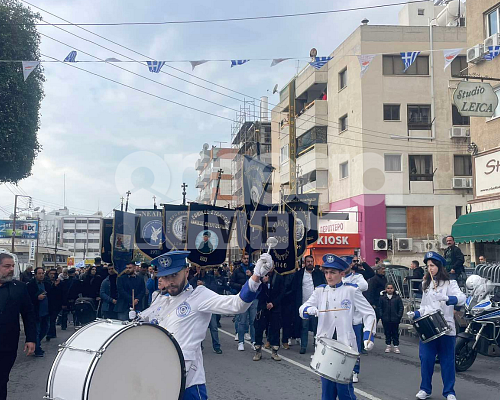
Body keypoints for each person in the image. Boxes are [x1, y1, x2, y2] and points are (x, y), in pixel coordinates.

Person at [133, 250, 273, 400]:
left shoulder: (199, 296)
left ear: (186, 272)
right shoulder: (160, 300)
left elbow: (237, 304)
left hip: (189, 383)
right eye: (166, 277)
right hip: (162, 380)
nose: (170, 281)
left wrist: (256, 276)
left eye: (174, 275)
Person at [299, 254, 376, 400]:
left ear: (342, 274)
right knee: (327, 392)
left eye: (333, 273)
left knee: (344, 391)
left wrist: (368, 336)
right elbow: (303, 308)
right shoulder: (320, 291)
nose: (329, 276)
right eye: (326, 272)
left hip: (346, 347)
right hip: (324, 348)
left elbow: (369, 313)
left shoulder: (351, 291)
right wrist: (309, 310)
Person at [407, 251, 466, 400]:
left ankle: (449, 392)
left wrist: (447, 298)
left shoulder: (450, 283)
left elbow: (462, 299)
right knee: (426, 359)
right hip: (429, 328)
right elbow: (424, 306)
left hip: (446, 328)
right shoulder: (425, 284)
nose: (430, 268)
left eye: (432, 265)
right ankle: (425, 389)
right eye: (428, 266)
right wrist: (416, 314)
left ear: (439, 266)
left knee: (447, 361)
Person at [0, 253, 36, 400]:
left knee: (2, 380)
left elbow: (28, 313)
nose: (11, 269)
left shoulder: (19, 288)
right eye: (7, 266)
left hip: (7, 344)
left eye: (13, 266)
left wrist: (31, 339)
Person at [341, 255, 369, 382]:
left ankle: (355, 371)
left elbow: (364, 286)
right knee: (342, 346)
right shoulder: (337, 279)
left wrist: (349, 286)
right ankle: (343, 368)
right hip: (341, 319)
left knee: (355, 347)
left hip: (355, 319)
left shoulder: (357, 277)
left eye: (347, 265)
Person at [292, 254, 326, 354]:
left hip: (316, 306)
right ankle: (303, 346)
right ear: (304, 263)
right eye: (308, 262)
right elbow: (295, 289)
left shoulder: (319, 274)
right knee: (304, 327)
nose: (310, 263)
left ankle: (317, 346)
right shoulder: (299, 274)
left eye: (311, 261)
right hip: (304, 305)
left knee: (317, 327)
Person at [253, 268, 284, 362]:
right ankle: (258, 351)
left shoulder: (279, 276)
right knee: (259, 328)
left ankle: (275, 351)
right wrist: (263, 283)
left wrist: (273, 303)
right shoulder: (259, 277)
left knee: (275, 328)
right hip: (262, 307)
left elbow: (282, 293)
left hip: (275, 307)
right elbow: (255, 292)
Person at [189, 267, 222, 354]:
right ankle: (199, 345)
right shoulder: (193, 279)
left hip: (209, 305)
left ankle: (216, 346)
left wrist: (204, 285)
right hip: (198, 306)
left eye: (202, 269)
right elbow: (189, 291)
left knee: (213, 327)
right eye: (199, 268)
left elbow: (215, 288)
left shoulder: (210, 278)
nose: (201, 270)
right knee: (198, 327)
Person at [230, 254, 257, 350]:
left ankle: (254, 341)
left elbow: (259, 281)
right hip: (242, 298)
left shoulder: (255, 269)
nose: (246, 260)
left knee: (253, 321)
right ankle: (241, 342)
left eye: (247, 258)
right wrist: (240, 286)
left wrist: (251, 275)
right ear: (242, 259)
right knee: (242, 321)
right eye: (244, 258)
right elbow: (231, 283)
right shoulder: (237, 271)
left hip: (253, 297)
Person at [27, 267, 51, 357]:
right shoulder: (31, 285)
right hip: (36, 312)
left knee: (45, 329)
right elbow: (28, 299)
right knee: (36, 330)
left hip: (46, 311)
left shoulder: (46, 284)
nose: (41, 275)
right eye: (39, 273)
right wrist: (37, 298)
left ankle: (36, 343)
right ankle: (37, 349)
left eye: (42, 273)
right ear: (35, 275)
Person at [379, 282, 403, 354]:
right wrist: (381, 315)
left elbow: (401, 307)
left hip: (395, 318)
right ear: (385, 289)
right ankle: (388, 345)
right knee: (387, 332)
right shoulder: (382, 298)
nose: (390, 290)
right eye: (388, 288)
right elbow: (380, 307)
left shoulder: (397, 298)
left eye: (391, 288)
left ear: (394, 289)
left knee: (395, 332)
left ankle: (396, 346)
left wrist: (399, 316)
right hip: (385, 318)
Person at [46, 268, 62, 341]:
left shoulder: (59, 282)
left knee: (53, 319)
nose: (52, 275)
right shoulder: (46, 282)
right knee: (49, 319)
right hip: (48, 303)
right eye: (51, 274)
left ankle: (51, 333)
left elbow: (61, 293)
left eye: (54, 274)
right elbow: (48, 292)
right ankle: (50, 332)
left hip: (56, 304)